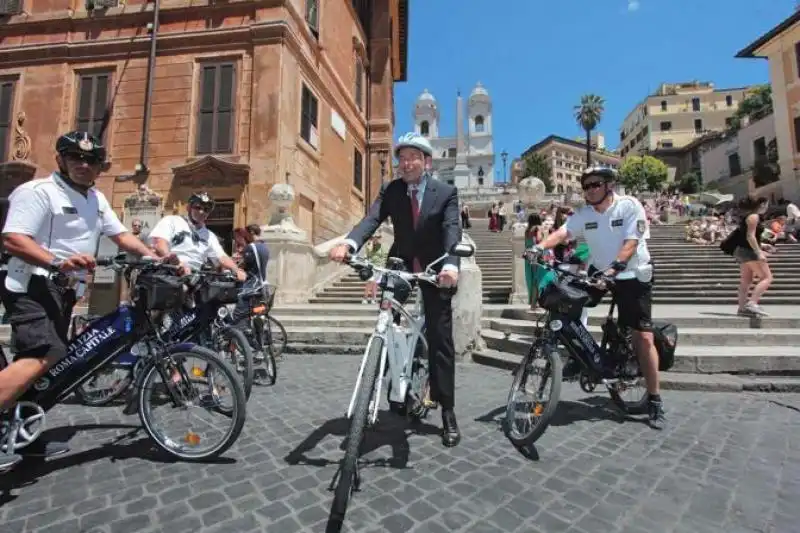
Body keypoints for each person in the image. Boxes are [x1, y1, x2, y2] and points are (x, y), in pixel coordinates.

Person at [0, 131, 159, 468]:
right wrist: (57, 262)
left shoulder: (96, 199)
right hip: (31, 282)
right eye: (76, 157)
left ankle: (24, 436)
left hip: (63, 289)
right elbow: (14, 239)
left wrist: (153, 258)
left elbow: (121, 235)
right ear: (61, 160)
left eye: (91, 160)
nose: (84, 165)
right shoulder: (38, 192)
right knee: (47, 352)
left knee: (48, 364)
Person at [329, 132, 463, 447]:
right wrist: (349, 243)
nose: (406, 163)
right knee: (386, 325)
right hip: (400, 266)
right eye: (401, 158)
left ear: (426, 162)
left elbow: (451, 230)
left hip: (434, 269)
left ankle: (448, 411)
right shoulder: (392, 190)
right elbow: (372, 219)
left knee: (441, 341)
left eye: (413, 157)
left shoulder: (445, 192)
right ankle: (388, 388)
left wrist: (451, 265)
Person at [531, 166, 666, 430]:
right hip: (599, 271)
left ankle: (655, 399)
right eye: (586, 186)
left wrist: (616, 268)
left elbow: (631, 242)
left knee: (643, 336)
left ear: (609, 185)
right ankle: (578, 358)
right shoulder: (585, 214)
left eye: (596, 184)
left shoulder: (629, 206)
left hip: (632, 275)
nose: (590, 189)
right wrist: (538, 247)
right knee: (566, 303)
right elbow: (563, 233)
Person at [148, 192, 245, 281]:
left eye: (206, 209)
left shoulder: (209, 235)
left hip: (195, 277)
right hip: (170, 271)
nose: (202, 212)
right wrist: (175, 261)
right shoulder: (172, 221)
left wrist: (236, 270)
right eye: (198, 207)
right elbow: (160, 243)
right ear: (189, 208)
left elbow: (221, 257)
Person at [733, 196, 774, 317]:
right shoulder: (754, 216)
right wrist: (758, 252)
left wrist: (763, 245)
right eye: (766, 205)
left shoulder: (747, 216)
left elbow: (749, 236)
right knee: (767, 277)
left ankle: (741, 308)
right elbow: (750, 236)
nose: (767, 208)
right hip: (749, 251)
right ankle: (752, 303)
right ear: (761, 205)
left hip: (742, 250)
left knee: (746, 280)